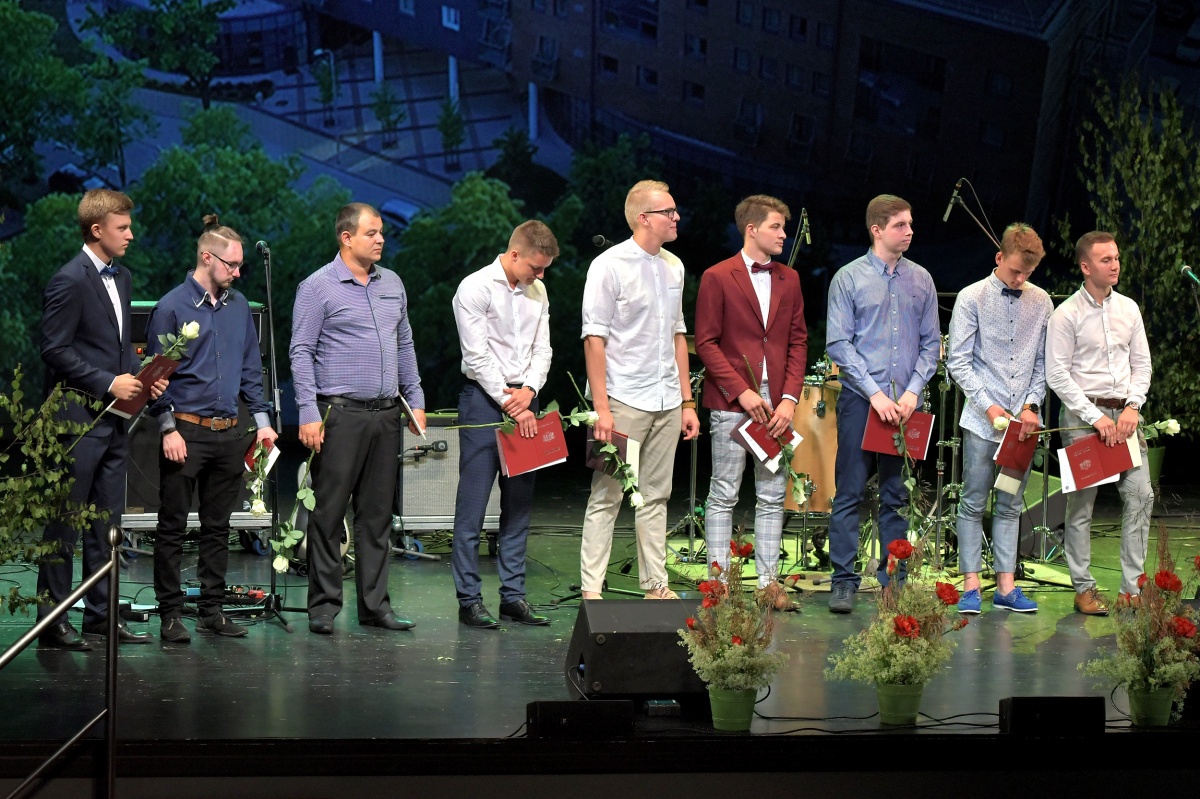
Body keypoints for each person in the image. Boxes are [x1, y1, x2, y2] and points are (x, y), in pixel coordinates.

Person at [37, 188, 167, 649]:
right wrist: (107, 382)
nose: (130, 235)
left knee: (106, 527)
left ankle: (101, 617)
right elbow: (54, 349)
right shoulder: (69, 280)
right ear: (97, 230)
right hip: (75, 422)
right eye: (122, 227)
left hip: (113, 423)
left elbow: (117, 346)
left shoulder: (122, 277)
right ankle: (52, 621)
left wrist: (142, 380)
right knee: (65, 523)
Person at [290, 202, 426, 635]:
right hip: (340, 415)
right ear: (346, 238)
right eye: (372, 233)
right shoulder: (318, 287)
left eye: (382, 232)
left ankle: (375, 606)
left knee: (377, 516)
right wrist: (307, 411)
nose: (381, 239)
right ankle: (324, 605)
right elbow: (301, 352)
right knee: (329, 513)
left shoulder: (393, 283)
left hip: (385, 415)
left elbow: (405, 344)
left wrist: (416, 399)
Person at [146, 216, 278, 643]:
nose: (237, 272)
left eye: (240, 265)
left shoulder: (238, 306)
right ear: (207, 257)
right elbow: (155, 375)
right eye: (231, 264)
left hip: (228, 432)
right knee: (172, 527)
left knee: (218, 526)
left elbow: (250, 369)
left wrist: (263, 424)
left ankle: (212, 610)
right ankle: (170, 613)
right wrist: (167, 428)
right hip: (186, 430)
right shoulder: (172, 306)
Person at [579, 180, 701, 600]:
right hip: (623, 400)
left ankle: (655, 585)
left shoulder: (674, 266)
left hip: (667, 399)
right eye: (669, 211)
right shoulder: (608, 265)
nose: (676, 217)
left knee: (657, 496)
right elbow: (593, 339)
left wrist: (687, 401)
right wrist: (602, 409)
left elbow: (678, 335)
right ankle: (592, 590)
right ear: (644, 218)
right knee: (608, 495)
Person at [824, 194, 941, 613]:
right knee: (850, 492)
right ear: (877, 230)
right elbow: (839, 343)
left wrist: (911, 393)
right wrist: (875, 394)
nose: (909, 231)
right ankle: (843, 581)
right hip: (862, 401)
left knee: (897, 494)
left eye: (910, 224)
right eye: (900, 225)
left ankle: (895, 581)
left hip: (906, 405)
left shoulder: (921, 279)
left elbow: (931, 344)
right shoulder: (849, 278)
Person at [693, 195, 808, 608]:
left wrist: (789, 399)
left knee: (773, 495)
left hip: (776, 407)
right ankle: (719, 583)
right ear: (752, 229)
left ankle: (768, 584)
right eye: (776, 226)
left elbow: (798, 342)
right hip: (731, 403)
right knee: (724, 493)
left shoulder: (789, 279)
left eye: (784, 227)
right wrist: (740, 391)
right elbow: (706, 343)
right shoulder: (717, 276)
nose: (783, 234)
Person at [450, 221, 558, 629]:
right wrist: (513, 403)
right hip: (484, 401)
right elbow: (476, 356)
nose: (540, 275)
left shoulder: (538, 291)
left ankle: (513, 596)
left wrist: (529, 390)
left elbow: (543, 349)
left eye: (544, 269)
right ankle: (469, 600)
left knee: (519, 504)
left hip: (525, 401)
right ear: (514, 254)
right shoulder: (475, 287)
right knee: (473, 506)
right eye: (535, 267)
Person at [946, 223, 1053, 615]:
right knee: (973, 502)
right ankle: (971, 585)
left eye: (1028, 273)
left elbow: (1043, 364)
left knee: (1010, 504)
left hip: (1021, 430)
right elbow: (958, 361)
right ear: (999, 257)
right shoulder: (971, 297)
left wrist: (1032, 406)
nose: (1021, 279)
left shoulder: (1042, 302)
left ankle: (1006, 588)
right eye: (1015, 271)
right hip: (981, 423)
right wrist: (989, 406)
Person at [1045, 230, 1153, 616]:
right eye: (1106, 260)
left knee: (1141, 496)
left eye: (1117, 258)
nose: (1115, 265)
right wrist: (1094, 418)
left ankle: (1132, 589)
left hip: (1124, 418)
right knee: (1082, 506)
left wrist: (1133, 406)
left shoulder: (1128, 309)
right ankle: (1084, 588)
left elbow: (1142, 365)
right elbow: (1057, 375)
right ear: (1086, 267)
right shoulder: (1066, 314)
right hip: (1081, 418)